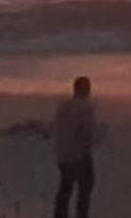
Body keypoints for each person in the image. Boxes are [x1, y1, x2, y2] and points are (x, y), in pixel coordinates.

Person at [51, 75, 98, 218]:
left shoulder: (63, 108)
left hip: (64, 155)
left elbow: (58, 130)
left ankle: (60, 215)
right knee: (85, 188)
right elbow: (87, 132)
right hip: (80, 155)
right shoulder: (84, 108)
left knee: (66, 187)